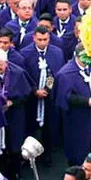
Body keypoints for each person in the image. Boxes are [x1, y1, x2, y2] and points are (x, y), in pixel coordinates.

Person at [54, 43, 91, 166]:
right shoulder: (65, 73)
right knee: (78, 146)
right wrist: (86, 101)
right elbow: (64, 97)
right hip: (77, 117)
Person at [20, 25, 65, 165]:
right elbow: (24, 76)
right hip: (31, 98)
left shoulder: (57, 52)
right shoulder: (25, 53)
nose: (42, 42)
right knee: (31, 126)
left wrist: (47, 88)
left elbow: (56, 73)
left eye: (45, 39)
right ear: (34, 38)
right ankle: (29, 155)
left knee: (49, 127)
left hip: (49, 97)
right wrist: (34, 90)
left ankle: (47, 154)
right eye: (39, 39)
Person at [0, 49, 32, 180]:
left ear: (6, 63)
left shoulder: (18, 73)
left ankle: (16, 172)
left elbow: (26, 94)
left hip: (15, 113)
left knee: (15, 144)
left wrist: (13, 102)